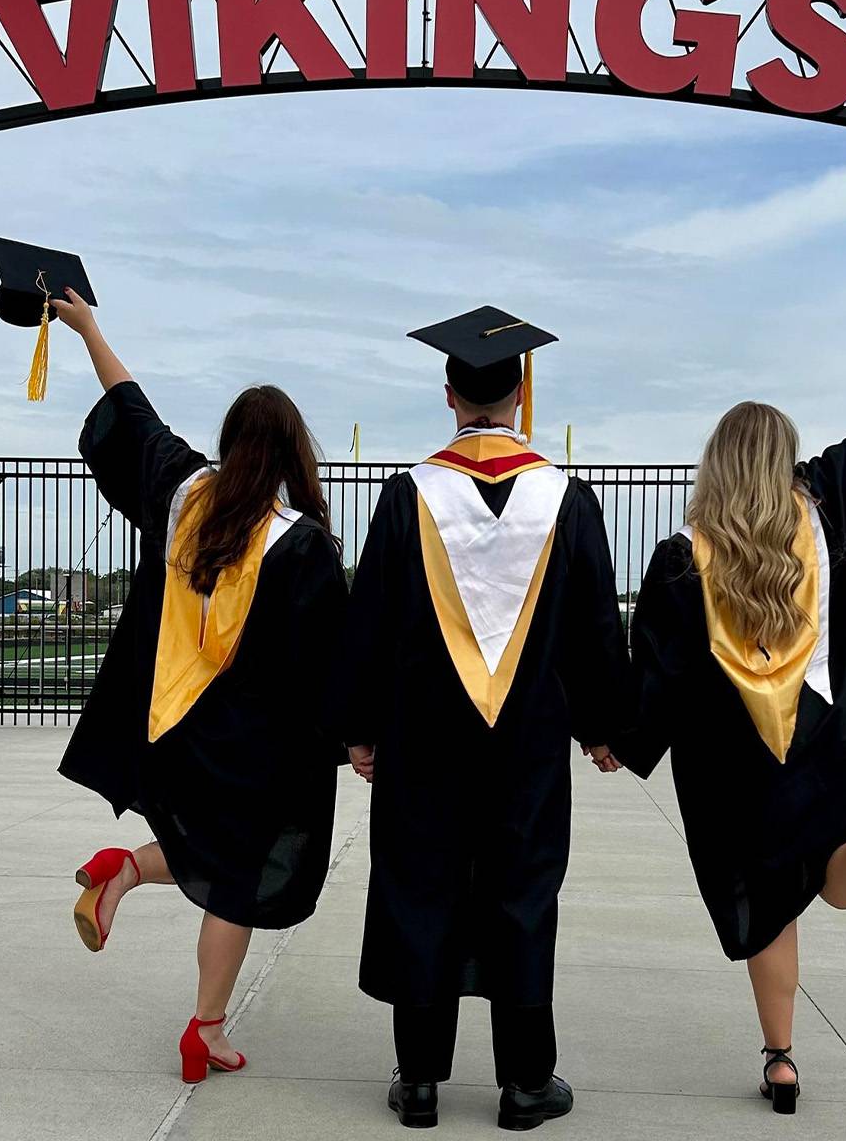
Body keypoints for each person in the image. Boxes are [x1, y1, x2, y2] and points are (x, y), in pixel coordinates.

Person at [614, 304, 846, 1114]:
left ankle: (782, 1059)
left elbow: (662, 677)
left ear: (716, 465)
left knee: (768, 907)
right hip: (833, 746)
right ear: (784, 460)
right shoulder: (824, 504)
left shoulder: (682, 560)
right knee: (831, 881)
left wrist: (620, 740)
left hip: (739, 773)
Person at [48, 288, 349, 1085]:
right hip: (256, 750)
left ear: (228, 445)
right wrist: (354, 740)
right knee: (241, 884)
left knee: (207, 851)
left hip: (174, 727)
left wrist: (88, 328)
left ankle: (119, 870)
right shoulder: (304, 547)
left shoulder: (183, 496)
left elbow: (130, 407)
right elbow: (329, 667)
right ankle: (205, 1029)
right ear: (291, 454)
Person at [343, 307, 629, 1132]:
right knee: (524, 893)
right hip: (529, 745)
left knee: (421, 887)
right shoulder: (566, 500)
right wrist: (604, 725)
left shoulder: (408, 497)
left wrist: (360, 729)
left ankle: (422, 1081)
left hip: (423, 740)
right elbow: (595, 631)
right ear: (521, 391)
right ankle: (526, 1085)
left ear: (448, 394)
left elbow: (369, 623)